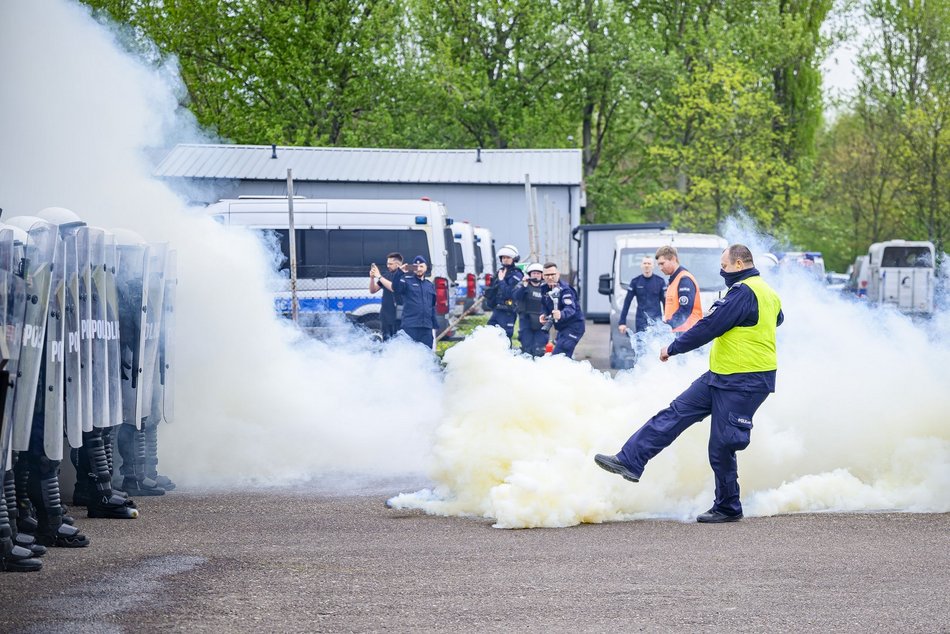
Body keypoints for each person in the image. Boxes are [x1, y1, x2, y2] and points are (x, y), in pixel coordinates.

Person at [594, 244, 783, 524]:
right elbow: (777, 320)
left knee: (722, 446)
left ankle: (728, 506)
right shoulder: (766, 291)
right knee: (676, 412)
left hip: (746, 380)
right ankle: (630, 460)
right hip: (722, 375)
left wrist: (674, 347)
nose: (722, 271)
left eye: (725, 266)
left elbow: (710, 326)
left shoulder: (744, 292)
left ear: (740, 264)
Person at [373, 255, 438, 349]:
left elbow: (432, 306)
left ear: (426, 267)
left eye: (421, 266)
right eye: (416, 266)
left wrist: (434, 325)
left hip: (426, 327)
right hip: (410, 326)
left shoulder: (430, 285)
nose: (419, 269)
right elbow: (395, 288)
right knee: (410, 354)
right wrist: (399, 272)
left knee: (427, 353)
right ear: (413, 268)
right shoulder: (407, 281)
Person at [618, 256, 667, 355]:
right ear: (641, 265)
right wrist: (622, 322)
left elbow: (666, 303)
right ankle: (641, 367)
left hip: (656, 321)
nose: (647, 266)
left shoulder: (660, 281)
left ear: (653, 266)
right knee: (641, 348)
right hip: (641, 320)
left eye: (649, 263)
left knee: (655, 347)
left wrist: (667, 318)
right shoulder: (635, 282)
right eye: (645, 263)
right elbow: (627, 302)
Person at [539, 263, 585, 358]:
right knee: (561, 356)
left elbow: (571, 309)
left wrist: (561, 314)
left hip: (574, 327)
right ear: (543, 276)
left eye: (553, 274)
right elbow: (544, 305)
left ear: (558, 274)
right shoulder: (544, 289)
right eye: (547, 275)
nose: (550, 277)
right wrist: (543, 315)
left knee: (559, 357)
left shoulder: (565, 290)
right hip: (562, 328)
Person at [655, 245, 702, 335]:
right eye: (658, 265)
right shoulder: (674, 280)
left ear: (673, 259)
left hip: (687, 332)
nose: (660, 268)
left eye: (662, 263)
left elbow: (685, 309)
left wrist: (668, 325)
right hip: (678, 331)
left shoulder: (684, 279)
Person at [486, 245, 523, 339]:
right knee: (489, 335)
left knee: (505, 338)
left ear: (514, 259)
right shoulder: (499, 272)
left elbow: (510, 293)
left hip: (508, 311)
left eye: (508, 257)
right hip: (497, 310)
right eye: (503, 257)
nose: (505, 259)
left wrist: (501, 280)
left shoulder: (517, 274)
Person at [512, 263, 548, 357]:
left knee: (539, 350)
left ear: (542, 275)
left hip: (541, 322)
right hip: (526, 320)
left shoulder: (546, 288)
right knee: (527, 349)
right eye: (534, 273)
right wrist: (524, 286)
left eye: (538, 273)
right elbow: (516, 296)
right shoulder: (523, 286)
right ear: (529, 274)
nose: (536, 275)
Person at [369, 252, 404, 340]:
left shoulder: (403, 276)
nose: (388, 266)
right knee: (386, 341)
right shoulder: (386, 275)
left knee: (398, 341)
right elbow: (373, 290)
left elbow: (394, 288)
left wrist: (379, 276)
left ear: (398, 264)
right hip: (385, 315)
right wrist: (372, 278)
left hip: (398, 316)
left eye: (390, 264)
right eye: (387, 263)